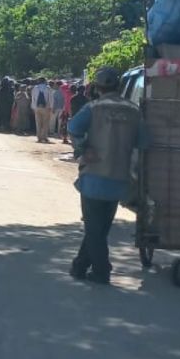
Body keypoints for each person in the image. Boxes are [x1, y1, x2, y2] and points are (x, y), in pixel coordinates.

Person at [67, 67, 142, 285]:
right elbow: (144, 141)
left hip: (93, 177)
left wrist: (82, 147)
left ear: (97, 88)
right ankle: (80, 266)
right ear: (118, 86)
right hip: (119, 179)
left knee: (93, 229)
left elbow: (73, 127)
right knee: (98, 229)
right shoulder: (134, 110)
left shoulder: (94, 108)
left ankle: (102, 271)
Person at [31, 76, 54, 143]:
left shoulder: (35, 88)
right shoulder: (48, 88)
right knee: (45, 123)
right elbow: (51, 98)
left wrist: (33, 107)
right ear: (44, 81)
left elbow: (33, 98)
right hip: (46, 108)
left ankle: (39, 137)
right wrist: (51, 107)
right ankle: (44, 137)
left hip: (37, 107)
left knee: (38, 123)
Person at [60, 80, 74, 144]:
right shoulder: (74, 95)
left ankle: (65, 138)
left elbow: (62, 87)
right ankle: (70, 138)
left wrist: (68, 84)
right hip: (72, 112)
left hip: (66, 111)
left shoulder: (66, 93)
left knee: (65, 126)